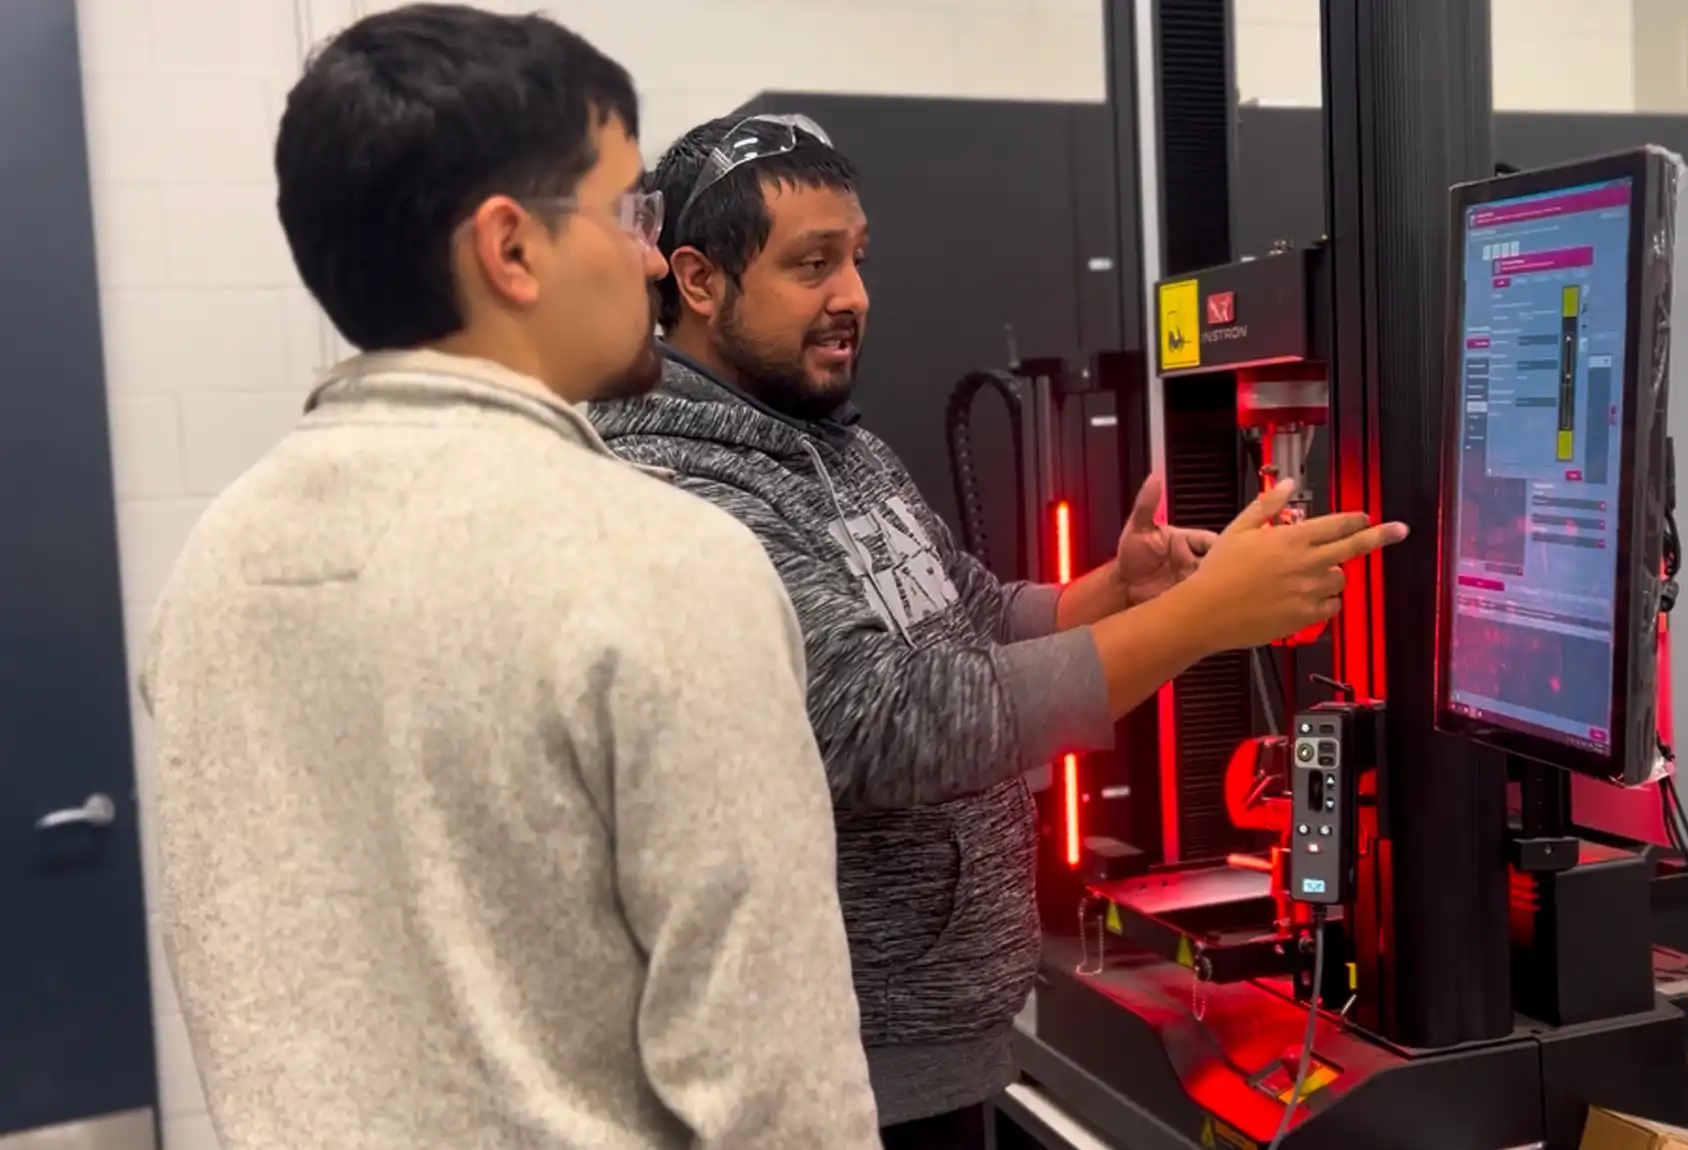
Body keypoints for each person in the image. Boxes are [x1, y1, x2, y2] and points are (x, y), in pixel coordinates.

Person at [588, 114, 1406, 1147]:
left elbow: (966, 614)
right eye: (812, 264)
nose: (854, 295)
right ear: (698, 282)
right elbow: (884, 723)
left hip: (924, 1043)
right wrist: (1199, 620)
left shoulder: (829, 443)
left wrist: (1121, 591)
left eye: (858, 258)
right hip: (831, 1077)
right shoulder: (686, 484)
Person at [140, 11, 879, 1149]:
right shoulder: (665, 567)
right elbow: (785, 1104)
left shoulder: (214, 566)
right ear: (511, 249)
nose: (652, 259)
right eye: (629, 212)